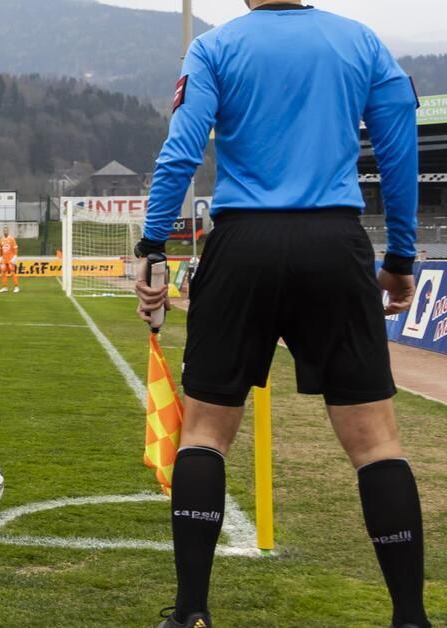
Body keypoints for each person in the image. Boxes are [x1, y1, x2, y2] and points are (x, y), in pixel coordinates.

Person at [133, 3, 426, 627]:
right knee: (377, 444)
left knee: (205, 435)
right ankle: (410, 618)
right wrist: (400, 253)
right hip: (335, 240)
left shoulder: (215, 48)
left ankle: (189, 615)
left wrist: (153, 245)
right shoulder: (361, 42)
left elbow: (182, 148)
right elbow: (399, 143)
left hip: (243, 246)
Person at [0, 226, 20, 293]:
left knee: (12, 272)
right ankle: (5, 287)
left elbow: (15, 248)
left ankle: (16, 287)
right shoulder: (0, 239)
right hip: (4, 259)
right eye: (4, 230)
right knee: (3, 272)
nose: (5, 231)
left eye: (6, 230)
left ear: (8, 231)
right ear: (3, 231)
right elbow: (0, 250)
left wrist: (14, 258)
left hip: (11, 259)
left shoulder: (12, 239)